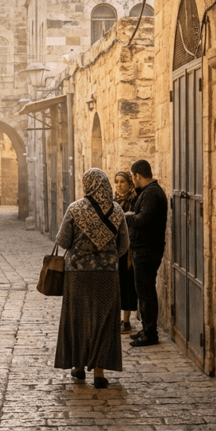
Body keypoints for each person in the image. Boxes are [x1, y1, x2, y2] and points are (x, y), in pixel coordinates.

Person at [54, 168, 130, 389]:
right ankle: (99, 372)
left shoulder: (75, 209)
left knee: (77, 318)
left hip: (77, 275)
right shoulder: (116, 210)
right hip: (107, 275)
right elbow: (124, 245)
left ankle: (78, 365)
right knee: (104, 321)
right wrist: (107, 255)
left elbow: (63, 241)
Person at [125, 159, 168, 347]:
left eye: (132, 177)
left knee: (147, 292)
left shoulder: (151, 194)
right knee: (143, 291)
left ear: (138, 176)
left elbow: (144, 219)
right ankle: (146, 328)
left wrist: (128, 217)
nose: (132, 181)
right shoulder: (148, 192)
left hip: (146, 250)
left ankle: (150, 333)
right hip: (143, 248)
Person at [113, 171, 139, 333]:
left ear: (129, 183)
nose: (119, 184)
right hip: (114, 247)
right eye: (116, 181)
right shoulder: (113, 201)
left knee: (127, 283)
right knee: (115, 283)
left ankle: (126, 321)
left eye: (122, 181)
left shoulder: (133, 200)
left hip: (128, 248)